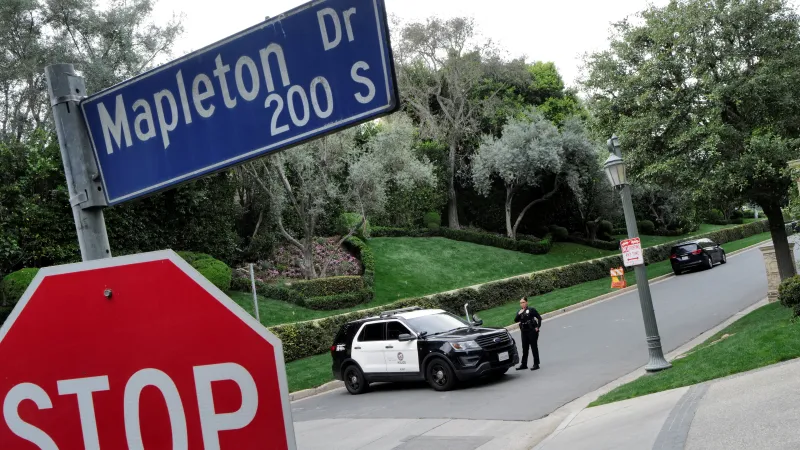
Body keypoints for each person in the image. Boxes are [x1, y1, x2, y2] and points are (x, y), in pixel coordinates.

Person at [514, 296, 541, 371]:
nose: (522, 304)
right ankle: (524, 364)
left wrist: (538, 327)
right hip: (524, 331)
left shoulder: (531, 310)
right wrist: (519, 314)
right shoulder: (520, 312)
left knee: (534, 347)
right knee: (525, 348)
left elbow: (539, 318)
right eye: (520, 303)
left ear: (526, 302)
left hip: (532, 330)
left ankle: (536, 364)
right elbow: (516, 320)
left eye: (523, 302)